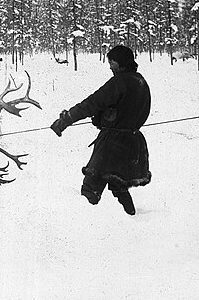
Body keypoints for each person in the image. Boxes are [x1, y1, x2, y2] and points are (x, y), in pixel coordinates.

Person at [50, 45, 151, 215]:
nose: (110, 66)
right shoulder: (140, 81)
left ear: (120, 62)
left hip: (112, 144)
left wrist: (66, 120)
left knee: (92, 186)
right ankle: (133, 218)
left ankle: (83, 224)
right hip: (133, 142)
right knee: (118, 183)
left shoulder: (119, 82)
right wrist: (109, 117)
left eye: (112, 62)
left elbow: (91, 104)